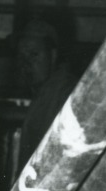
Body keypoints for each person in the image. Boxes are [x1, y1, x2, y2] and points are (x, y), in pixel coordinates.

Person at [16, 19, 77, 167]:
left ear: (53, 55)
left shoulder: (66, 92)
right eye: (22, 56)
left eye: (34, 54)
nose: (26, 64)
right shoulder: (44, 93)